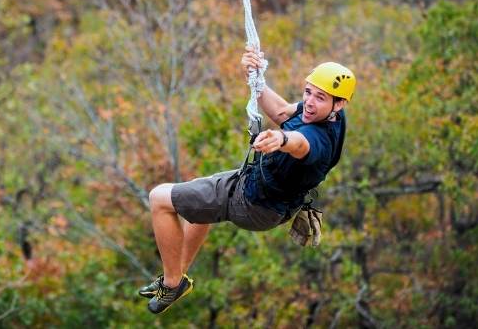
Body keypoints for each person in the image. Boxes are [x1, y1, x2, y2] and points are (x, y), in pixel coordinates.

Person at [139, 46, 356, 314]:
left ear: (339, 103)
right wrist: (256, 79)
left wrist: (281, 139)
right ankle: (178, 274)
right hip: (262, 194)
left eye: (320, 97)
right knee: (195, 202)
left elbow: (300, 143)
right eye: (308, 92)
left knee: (159, 199)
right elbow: (282, 113)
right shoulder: (330, 113)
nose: (310, 102)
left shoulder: (320, 140)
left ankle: (172, 284)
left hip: (253, 203)